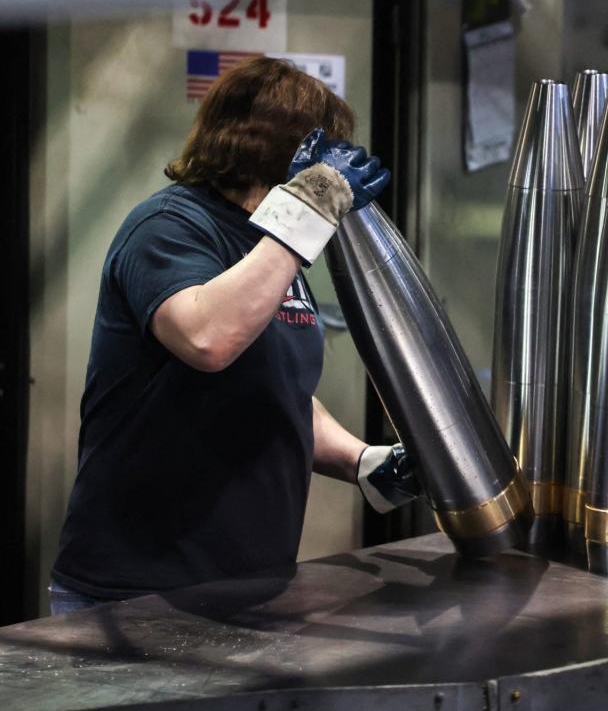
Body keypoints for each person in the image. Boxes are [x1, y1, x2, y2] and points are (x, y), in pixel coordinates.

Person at [49, 57, 418, 616]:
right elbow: (207, 339)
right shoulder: (168, 227)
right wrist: (309, 207)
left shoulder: (267, 245)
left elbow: (275, 384)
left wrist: (363, 461)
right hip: (140, 595)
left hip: (250, 585)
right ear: (279, 147)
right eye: (320, 150)